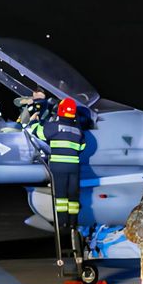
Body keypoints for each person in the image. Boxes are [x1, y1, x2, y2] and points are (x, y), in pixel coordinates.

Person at [30, 97, 86, 253]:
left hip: (58, 166)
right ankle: (73, 222)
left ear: (60, 111)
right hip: (74, 166)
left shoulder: (53, 127)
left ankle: (62, 224)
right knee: (73, 196)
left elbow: (38, 132)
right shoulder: (77, 130)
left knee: (60, 195)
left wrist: (35, 120)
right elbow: (82, 146)